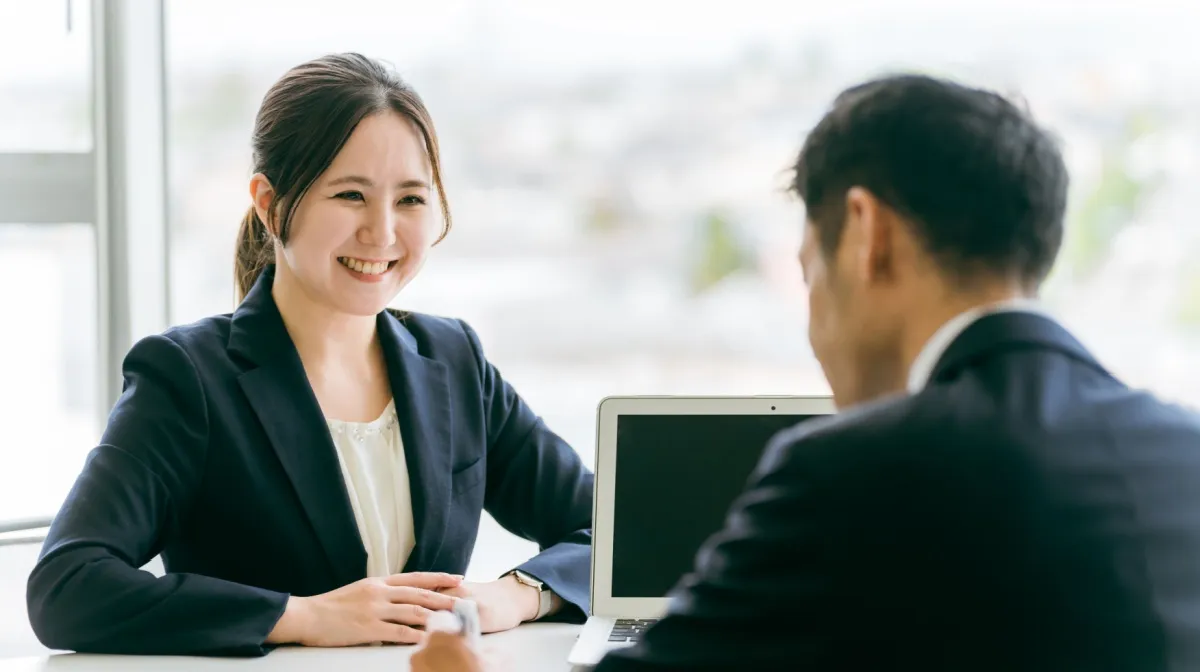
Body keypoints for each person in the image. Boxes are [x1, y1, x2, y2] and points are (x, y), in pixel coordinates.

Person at [412, 74, 1200, 672]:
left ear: (865, 234)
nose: (814, 323)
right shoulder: (1184, 451)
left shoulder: (857, 470)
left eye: (807, 271)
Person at [26, 53, 593, 657]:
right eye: (350, 195)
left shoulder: (454, 361)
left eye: (410, 200)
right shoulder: (188, 377)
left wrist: (519, 593)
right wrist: (300, 616)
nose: (382, 232)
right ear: (271, 204)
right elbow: (67, 587)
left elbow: (620, 534)